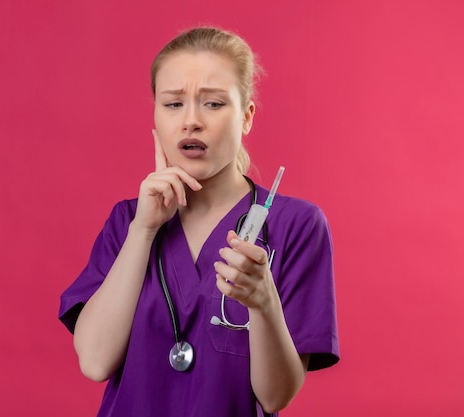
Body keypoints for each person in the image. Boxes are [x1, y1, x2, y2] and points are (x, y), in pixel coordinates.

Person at [59, 26, 339, 417]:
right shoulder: (128, 221)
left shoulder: (296, 225)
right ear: (156, 114)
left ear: (247, 116)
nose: (191, 121)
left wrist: (262, 303)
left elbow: (275, 397)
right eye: (173, 104)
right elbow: (94, 361)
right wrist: (144, 231)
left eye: (213, 104)